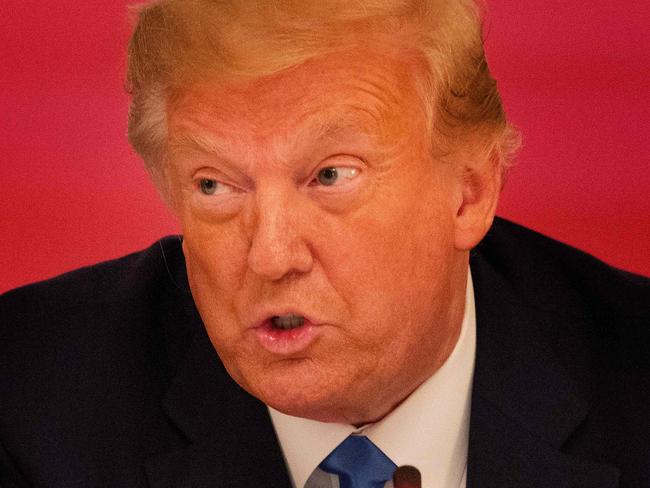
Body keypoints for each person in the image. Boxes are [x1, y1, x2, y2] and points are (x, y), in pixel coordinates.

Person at [1, 0, 648, 487]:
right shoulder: (27, 398)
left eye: (330, 176)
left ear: (469, 193)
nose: (272, 255)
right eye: (215, 185)